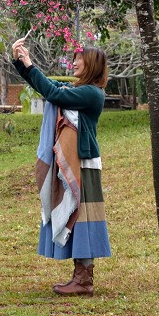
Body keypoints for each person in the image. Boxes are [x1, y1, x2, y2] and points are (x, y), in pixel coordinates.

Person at [11, 36, 111, 297]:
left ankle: (84, 281)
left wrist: (30, 64)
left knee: (84, 218)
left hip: (84, 164)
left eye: (80, 59)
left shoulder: (92, 94)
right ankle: (80, 278)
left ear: (91, 65)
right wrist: (21, 63)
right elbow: (52, 88)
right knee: (77, 217)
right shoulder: (79, 91)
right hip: (78, 162)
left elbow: (54, 93)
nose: (75, 62)